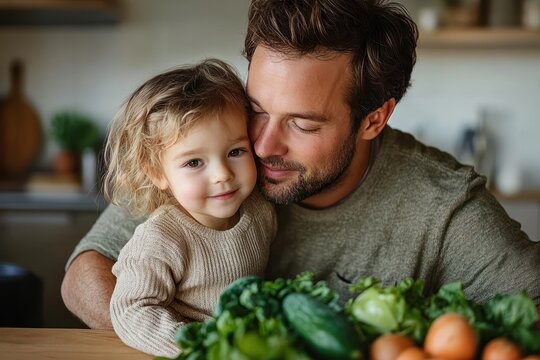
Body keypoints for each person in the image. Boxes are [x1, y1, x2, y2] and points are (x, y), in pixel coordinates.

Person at [61, 0, 540, 330]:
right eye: (257, 110)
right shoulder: (210, 160)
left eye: (304, 125)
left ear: (374, 119)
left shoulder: (442, 206)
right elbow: (86, 270)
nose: (262, 145)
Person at [97, 59, 276, 357]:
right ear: (156, 172)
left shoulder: (259, 210)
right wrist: (199, 346)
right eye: (194, 162)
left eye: (235, 151)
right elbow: (130, 309)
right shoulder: (162, 238)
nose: (222, 174)